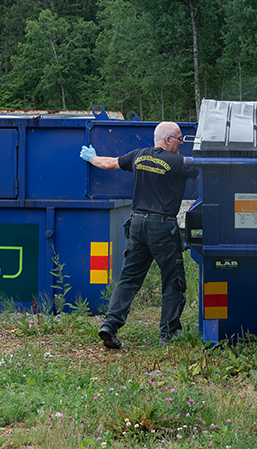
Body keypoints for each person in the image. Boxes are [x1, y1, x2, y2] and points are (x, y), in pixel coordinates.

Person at [79, 121, 199, 349]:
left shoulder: (138, 155)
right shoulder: (176, 162)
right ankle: (169, 334)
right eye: (179, 139)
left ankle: (110, 325)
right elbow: (206, 169)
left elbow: (110, 163)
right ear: (167, 140)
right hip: (162, 227)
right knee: (173, 281)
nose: (181, 144)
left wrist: (91, 159)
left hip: (137, 224)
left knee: (129, 278)